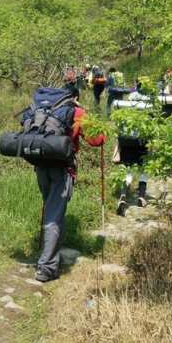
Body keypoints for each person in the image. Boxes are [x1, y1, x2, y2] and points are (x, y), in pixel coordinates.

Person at [30, 88, 105, 282]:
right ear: (76, 98)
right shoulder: (76, 112)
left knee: (51, 209)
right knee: (54, 215)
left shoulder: (43, 110)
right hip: (63, 169)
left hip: (40, 166)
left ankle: (50, 256)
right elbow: (97, 140)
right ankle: (46, 268)